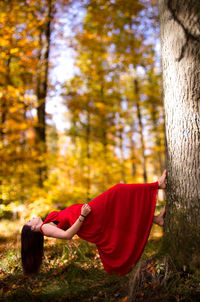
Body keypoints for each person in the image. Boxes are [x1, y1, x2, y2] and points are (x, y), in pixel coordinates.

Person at [21, 170, 167, 276]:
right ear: (32, 228)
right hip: (88, 217)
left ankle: (157, 219)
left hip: (89, 215)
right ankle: (157, 185)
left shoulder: (46, 223)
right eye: (29, 221)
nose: (31, 218)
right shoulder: (45, 228)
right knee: (119, 190)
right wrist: (82, 216)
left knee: (121, 212)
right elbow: (67, 235)